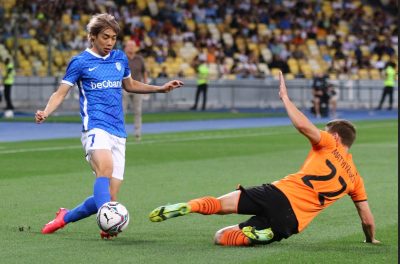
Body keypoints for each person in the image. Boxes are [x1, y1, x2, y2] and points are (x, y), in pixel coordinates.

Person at [148, 71, 379, 247]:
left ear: (336, 136)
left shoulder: (329, 143)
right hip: (293, 221)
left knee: (219, 205)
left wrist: (286, 98)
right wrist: (371, 240)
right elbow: (367, 219)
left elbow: (302, 125)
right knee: (221, 237)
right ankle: (264, 233)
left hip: (277, 193)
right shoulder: (355, 179)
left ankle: (190, 206)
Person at [35, 13, 183, 239]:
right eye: (105, 37)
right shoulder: (80, 62)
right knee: (104, 169)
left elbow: (130, 85)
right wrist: (46, 111)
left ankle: (64, 217)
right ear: (92, 37)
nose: (110, 42)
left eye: (113, 38)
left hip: (118, 131)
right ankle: (107, 224)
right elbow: (61, 93)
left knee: (107, 196)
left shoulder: (120, 58)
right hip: (94, 127)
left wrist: (160, 88)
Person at [123, 40, 148, 141]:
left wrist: (146, 85)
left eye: (132, 46)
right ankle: (121, 133)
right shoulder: (122, 58)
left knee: (138, 111)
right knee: (121, 111)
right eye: (129, 46)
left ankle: (138, 134)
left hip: (137, 87)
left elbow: (144, 72)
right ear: (125, 48)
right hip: (124, 87)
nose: (131, 48)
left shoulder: (139, 59)